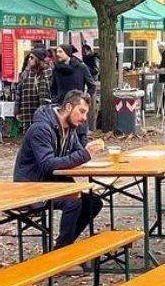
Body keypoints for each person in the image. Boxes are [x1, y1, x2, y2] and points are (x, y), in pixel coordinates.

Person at [13, 90, 105, 248]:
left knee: (93, 202)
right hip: (31, 186)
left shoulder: (70, 128)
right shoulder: (41, 129)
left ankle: (62, 246)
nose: (84, 118)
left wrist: (85, 152)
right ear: (69, 107)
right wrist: (86, 154)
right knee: (73, 202)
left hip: (51, 183)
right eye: (81, 111)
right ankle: (62, 251)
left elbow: (78, 151)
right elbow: (47, 164)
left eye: (86, 113)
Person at [15, 49, 52, 129]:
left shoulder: (48, 72)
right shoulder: (26, 73)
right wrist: (17, 111)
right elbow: (19, 93)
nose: (29, 60)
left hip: (43, 111)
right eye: (29, 57)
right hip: (28, 110)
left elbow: (51, 91)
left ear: (38, 59)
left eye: (32, 58)